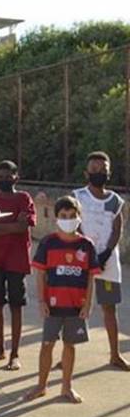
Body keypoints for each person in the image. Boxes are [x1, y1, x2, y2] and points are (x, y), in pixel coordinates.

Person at [24, 196, 98, 404]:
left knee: (70, 345)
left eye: (72, 215)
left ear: (79, 217)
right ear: (56, 217)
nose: (68, 219)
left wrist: (88, 304)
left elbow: (91, 277)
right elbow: (40, 274)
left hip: (76, 306)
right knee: (47, 344)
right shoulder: (48, 243)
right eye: (64, 216)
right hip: (52, 305)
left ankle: (66, 387)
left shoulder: (86, 245)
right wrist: (41, 301)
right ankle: (41, 386)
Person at [73, 151, 130, 370]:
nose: (99, 173)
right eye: (94, 169)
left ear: (109, 173)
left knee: (109, 308)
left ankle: (115, 355)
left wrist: (105, 254)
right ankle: (68, 353)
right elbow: (74, 225)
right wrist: (89, 254)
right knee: (74, 308)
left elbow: (117, 229)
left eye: (103, 170)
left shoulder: (115, 201)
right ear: (86, 173)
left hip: (108, 263)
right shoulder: (78, 197)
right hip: (81, 260)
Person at [0, 160, 35, 370]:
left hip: (16, 260)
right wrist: (13, 226)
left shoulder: (24, 198)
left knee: (16, 305)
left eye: (8, 176)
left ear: (16, 178)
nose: (4, 180)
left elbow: (24, 227)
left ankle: (15, 353)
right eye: (0, 176)